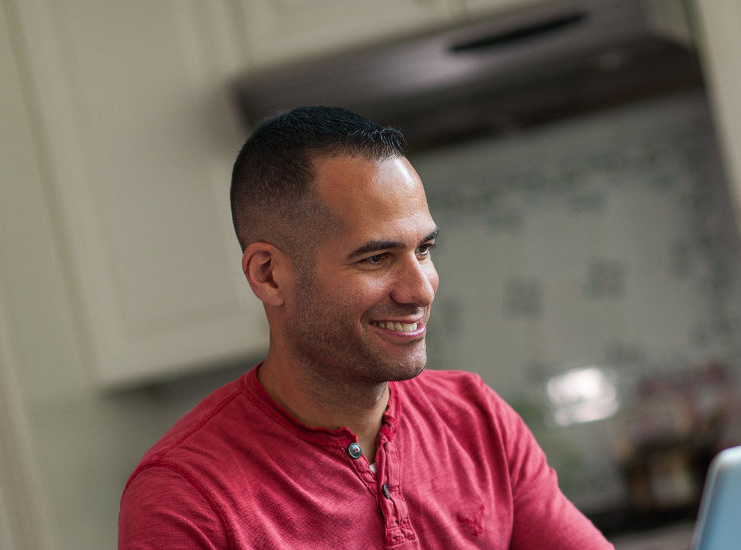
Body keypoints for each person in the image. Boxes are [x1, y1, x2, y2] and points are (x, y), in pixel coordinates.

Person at [118, 106, 613, 549]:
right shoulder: (186, 497)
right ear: (269, 275)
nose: (420, 289)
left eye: (424, 250)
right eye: (376, 258)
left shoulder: (476, 418)